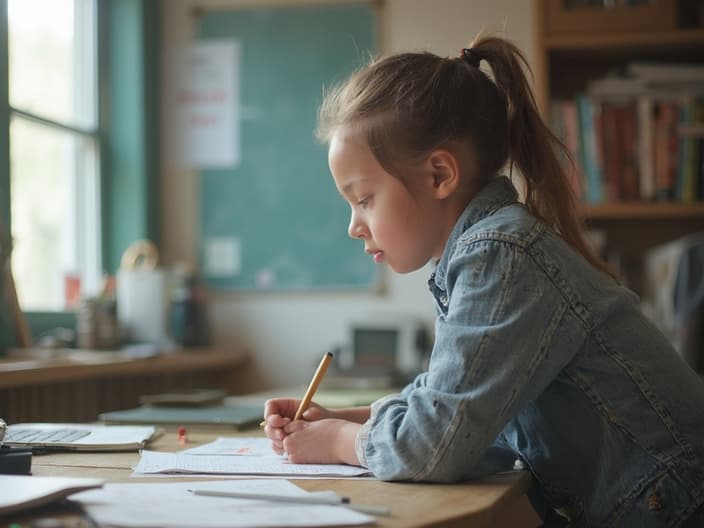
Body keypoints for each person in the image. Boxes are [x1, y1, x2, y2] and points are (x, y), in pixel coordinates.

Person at [261, 35, 704, 527]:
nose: (353, 225)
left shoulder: (500, 256)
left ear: (439, 175)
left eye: (364, 199)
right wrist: (348, 419)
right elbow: (455, 403)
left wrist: (341, 444)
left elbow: (437, 444)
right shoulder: (482, 251)